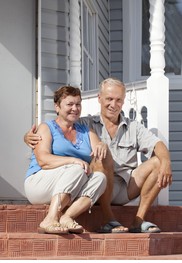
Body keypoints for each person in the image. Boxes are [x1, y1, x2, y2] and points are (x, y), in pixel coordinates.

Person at [24, 78, 172, 233]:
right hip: (96, 186)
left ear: (123, 102)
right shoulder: (84, 123)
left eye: (118, 100)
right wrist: (27, 137)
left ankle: (138, 220)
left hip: (125, 186)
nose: (113, 105)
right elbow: (58, 125)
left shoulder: (130, 126)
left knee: (158, 162)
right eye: (109, 99)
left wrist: (166, 162)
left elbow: (158, 145)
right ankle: (108, 219)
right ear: (99, 99)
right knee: (99, 159)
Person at [24, 85, 108, 234]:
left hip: (70, 184)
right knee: (77, 168)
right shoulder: (46, 127)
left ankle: (67, 217)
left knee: (100, 178)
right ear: (57, 107)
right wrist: (73, 161)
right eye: (69, 104)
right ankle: (50, 218)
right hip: (39, 184)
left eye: (78, 104)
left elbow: (98, 151)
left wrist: (102, 145)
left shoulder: (86, 131)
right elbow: (43, 160)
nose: (75, 108)